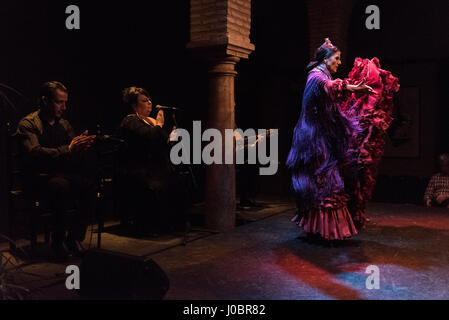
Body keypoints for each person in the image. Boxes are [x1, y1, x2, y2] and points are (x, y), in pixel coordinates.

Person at [286, 38, 392, 242]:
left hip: (321, 135)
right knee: (326, 179)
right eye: (337, 58)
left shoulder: (320, 74)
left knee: (326, 177)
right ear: (326, 59)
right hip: (315, 138)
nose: (339, 63)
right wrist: (353, 88)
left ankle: (319, 228)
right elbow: (329, 87)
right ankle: (328, 229)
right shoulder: (316, 76)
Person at [16, 81, 96, 259]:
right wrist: (68, 149)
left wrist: (82, 147)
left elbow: (72, 150)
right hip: (37, 178)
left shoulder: (64, 124)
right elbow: (35, 153)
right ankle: (58, 242)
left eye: (65, 102)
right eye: (60, 102)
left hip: (59, 175)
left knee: (88, 185)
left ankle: (73, 238)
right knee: (60, 187)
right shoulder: (28, 123)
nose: (64, 107)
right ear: (45, 101)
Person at [118, 87, 189, 235]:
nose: (150, 103)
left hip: (155, 167)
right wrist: (158, 125)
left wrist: (171, 138)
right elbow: (148, 138)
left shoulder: (150, 122)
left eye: (149, 100)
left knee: (179, 179)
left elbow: (161, 143)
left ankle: (173, 224)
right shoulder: (131, 120)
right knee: (160, 183)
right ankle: (152, 225)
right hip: (138, 167)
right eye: (144, 101)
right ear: (134, 105)